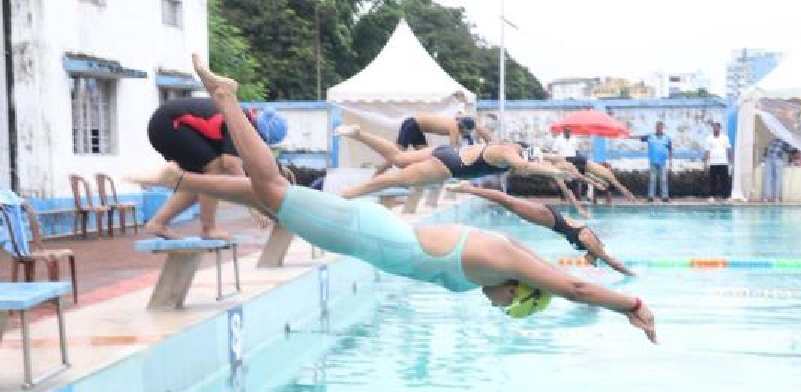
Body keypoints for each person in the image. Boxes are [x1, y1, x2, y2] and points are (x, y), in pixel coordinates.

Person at [131, 55, 657, 342]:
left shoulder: (495, 267)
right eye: (509, 308)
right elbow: (570, 286)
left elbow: (557, 271)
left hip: (365, 233)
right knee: (270, 190)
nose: (497, 308)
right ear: (518, 292)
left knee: (268, 197)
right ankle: (228, 99)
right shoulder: (497, 261)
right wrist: (629, 305)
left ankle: (176, 181)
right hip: (364, 234)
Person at [144, 97, 287, 239]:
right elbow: (231, 164)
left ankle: (158, 223)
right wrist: (252, 204)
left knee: (198, 183)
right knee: (215, 168)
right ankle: (209, 228)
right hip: (169, 124)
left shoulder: (242, 119)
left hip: (166, 125)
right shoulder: (243, 123)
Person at [447, 182, 635, 276]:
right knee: (507, 201)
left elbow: (592, 261)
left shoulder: (590, 245)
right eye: (593, 260)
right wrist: (630, 274)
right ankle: (468, 188)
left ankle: (469, 188)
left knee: (508, 204)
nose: (590, 261)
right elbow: (611, 262)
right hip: (549, 218)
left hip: (549, 220)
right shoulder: (589, 241)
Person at [334, 125, 573, 199]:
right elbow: (524, 166)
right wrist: (555, 175)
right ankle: (345, 195)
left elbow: (545, 157)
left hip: (447, 151)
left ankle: (357, 133)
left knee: (397, 158)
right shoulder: (511, 156)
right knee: (391, 180)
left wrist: (558, 163)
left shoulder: (511, 147)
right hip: (448, 166)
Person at [372, 113, 491, 175]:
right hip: (411, 124)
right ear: (464, 128)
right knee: (397, 155)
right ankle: (377, 174)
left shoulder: (459, 125)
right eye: (467, 132)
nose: (466, 134)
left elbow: (467, 141)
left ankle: (411, 176)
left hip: (417, 127)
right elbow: (453, 149)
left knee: (425, 158)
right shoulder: (454, 126)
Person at [632, 121, 672, 202]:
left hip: (662, 162)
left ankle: (665, 197)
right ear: (656, 128)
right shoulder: (650, 136)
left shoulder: (667, 138)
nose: (659, 128)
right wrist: (629, 136)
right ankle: (651, 197)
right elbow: (640, 137)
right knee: (652, 179)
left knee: (663, 180)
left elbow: (670, 149)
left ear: (662, 128)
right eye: (657, 127)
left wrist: (671, 161)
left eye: (660, 127)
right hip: (653, 161)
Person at [704, 122, 732, 202]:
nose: (715, 129)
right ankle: (712, 195)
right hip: (713, 162)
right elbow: (707, 150)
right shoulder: (709, 138)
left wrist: (731, 161)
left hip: (723, 162)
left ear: (720, 128)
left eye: (717, 127)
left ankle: (726, 196)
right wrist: (705, 162)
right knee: (713, 180)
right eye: (714, 127)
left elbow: (728, 149)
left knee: (725, 180)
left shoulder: (725, 138)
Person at [762, 137, 792, 202]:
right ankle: (773, 197)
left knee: (769, 178)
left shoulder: (775, 140)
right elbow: (789, 150)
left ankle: (769, 197)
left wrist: (763, 159)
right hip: (775, 159)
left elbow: (767, 150)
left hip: (771, 158)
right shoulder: (782, 140)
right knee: (775, 178)